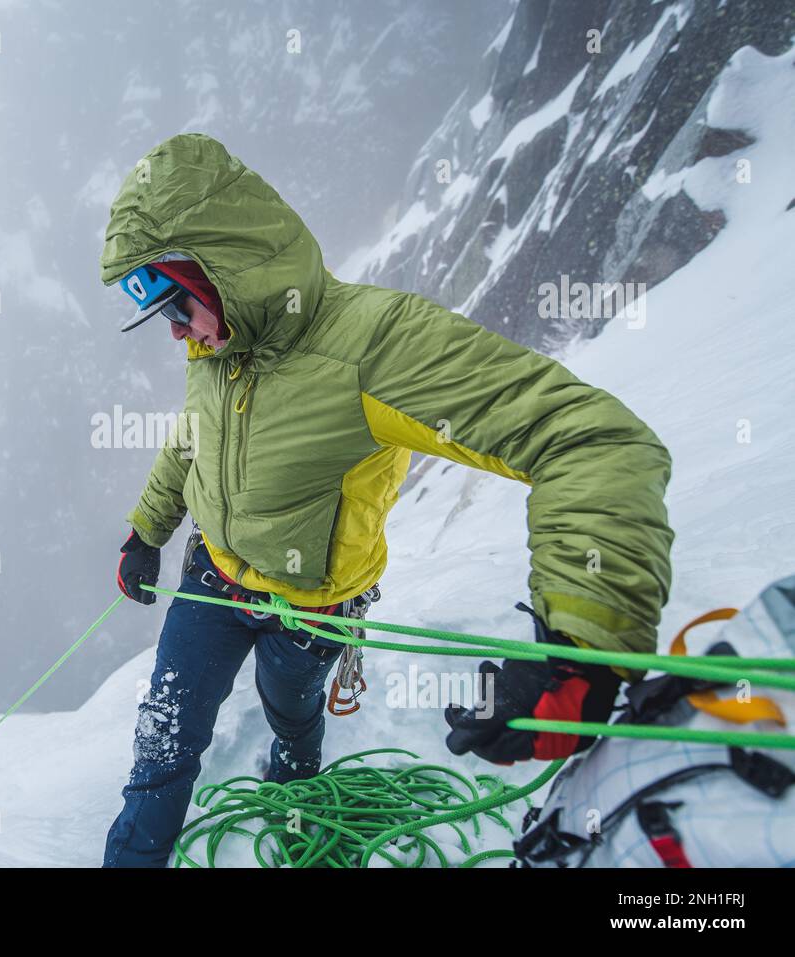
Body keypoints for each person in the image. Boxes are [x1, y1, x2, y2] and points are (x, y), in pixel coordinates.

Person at [100, 133, 673, 868]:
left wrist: (582, 650)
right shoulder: (215, 346)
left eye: (177, 305)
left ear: (220, 268)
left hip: (310, 609)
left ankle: (296, 799)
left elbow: (588, 436)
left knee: (295, 722)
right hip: (211, 578)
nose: (177, 332)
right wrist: (147, 529)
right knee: (164, 738)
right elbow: (193, 436)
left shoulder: (370, 345)